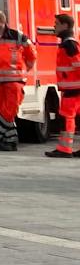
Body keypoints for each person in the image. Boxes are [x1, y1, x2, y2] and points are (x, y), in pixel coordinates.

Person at [0, 6, 36, 151]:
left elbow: (32, 55)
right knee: (0, 110)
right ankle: (11, 141)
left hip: (14, 80)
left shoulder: (18, 36)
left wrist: (23, 70)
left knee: (10, 110)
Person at [48, 13, 80, 159]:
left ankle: (64, 149)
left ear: (65, 26)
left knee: (67, 118)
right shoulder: (69, 44)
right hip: (73, 89)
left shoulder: (69, 45)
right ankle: (65, 149)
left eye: (57, 23)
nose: (54, 26)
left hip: (73, 89)